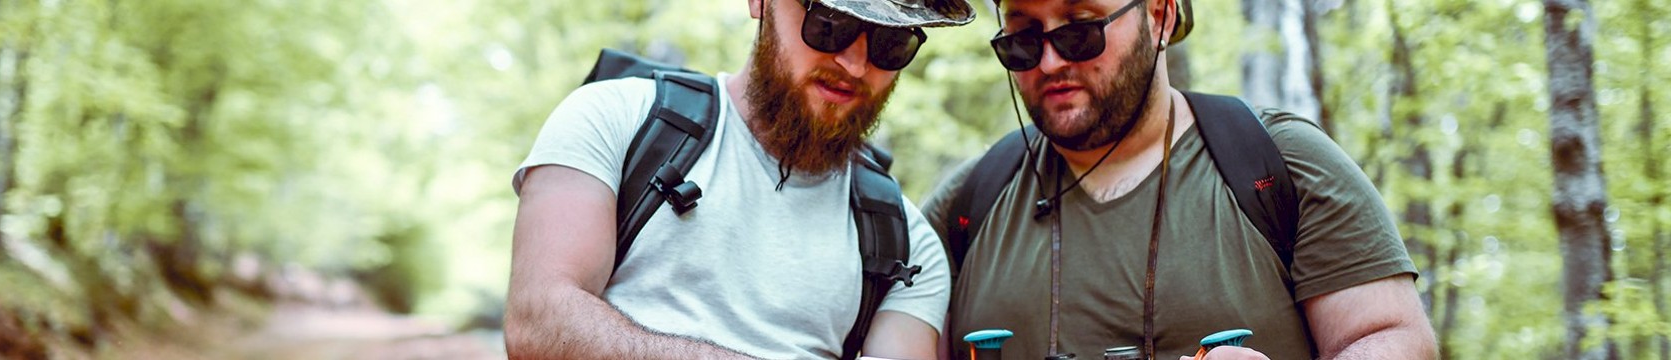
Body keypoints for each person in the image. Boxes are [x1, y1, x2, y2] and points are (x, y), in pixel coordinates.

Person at [920, 0, 1437, 359]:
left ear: (1160, 16)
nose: (1051, 61)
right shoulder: (967, 203)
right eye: (1025, 39)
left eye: (1080, 28)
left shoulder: (1280, 165)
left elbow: (1395, 338)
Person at [504, 0, 973, 358]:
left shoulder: (907, 244)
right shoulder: (616, 117)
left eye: (893, 43)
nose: (855, 62)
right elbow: (539, 321)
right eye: (831, 24)